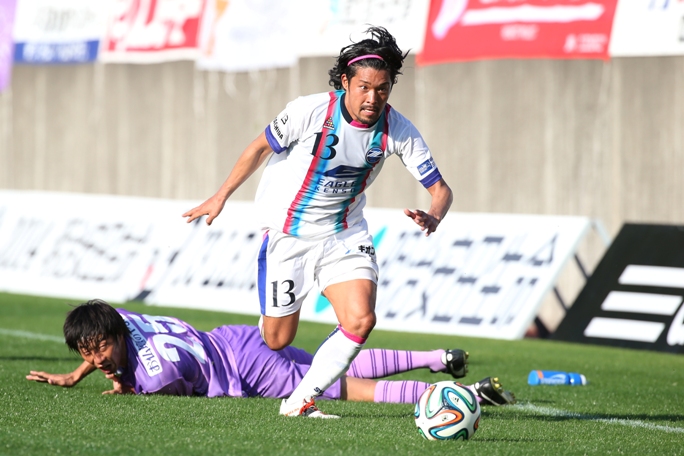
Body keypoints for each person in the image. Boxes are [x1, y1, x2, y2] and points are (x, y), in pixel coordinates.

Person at [181, 26, 454, 418]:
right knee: (276, 340)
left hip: (344, 233)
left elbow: (441, 189)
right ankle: (282, 334)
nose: (373, 98)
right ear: (345, 82)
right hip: (288, 234)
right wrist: (220, 195)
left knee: (361, 319)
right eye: (364, 87)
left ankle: (299, 401)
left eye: (382, 89)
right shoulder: (309, 111)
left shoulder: (399, 130)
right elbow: (258, 148)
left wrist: (434, 215)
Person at [26, 300, 515, 415]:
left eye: (100, 349)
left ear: (115, 334)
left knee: (343, 388)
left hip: (246, 368)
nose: (97, 358)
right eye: (87, 352)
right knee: (331, 361)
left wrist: (123, 386)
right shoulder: (120, 320)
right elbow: (105, 349)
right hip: (238, 338)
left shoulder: (156, 374)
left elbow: (152, 385)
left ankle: (462, 397)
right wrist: (76, 373)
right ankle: (437, 357)